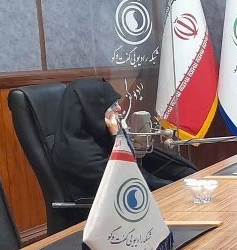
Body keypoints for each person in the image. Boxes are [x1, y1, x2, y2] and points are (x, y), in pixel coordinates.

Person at [51, 77, 196, 203]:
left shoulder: (96, 136)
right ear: (92, 110)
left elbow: (141, 168)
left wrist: (185, 178)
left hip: (126, 199)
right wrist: (117, 135)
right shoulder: (75, 152)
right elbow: (130, 178)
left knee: (184, 173)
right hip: (103, 213)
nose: (119, 108)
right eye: (113, 105)